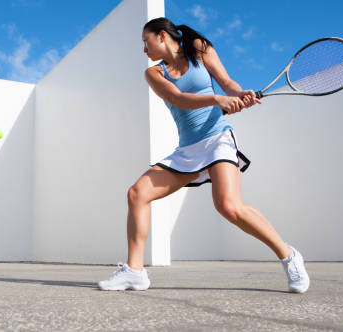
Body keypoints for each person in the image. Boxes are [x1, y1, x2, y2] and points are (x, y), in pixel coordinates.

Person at [98, 17, 309, 293]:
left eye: (145, 42)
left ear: (162, 36)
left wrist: (238, 94)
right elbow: (178, 99)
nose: (144, 49)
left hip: (217, 138)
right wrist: (217, 99)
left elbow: (226, 82)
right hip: (187, 149)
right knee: (137, 194)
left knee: (229, 206)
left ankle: (289, 256)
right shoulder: (154, 74)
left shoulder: (198, 47)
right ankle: (135, 272)